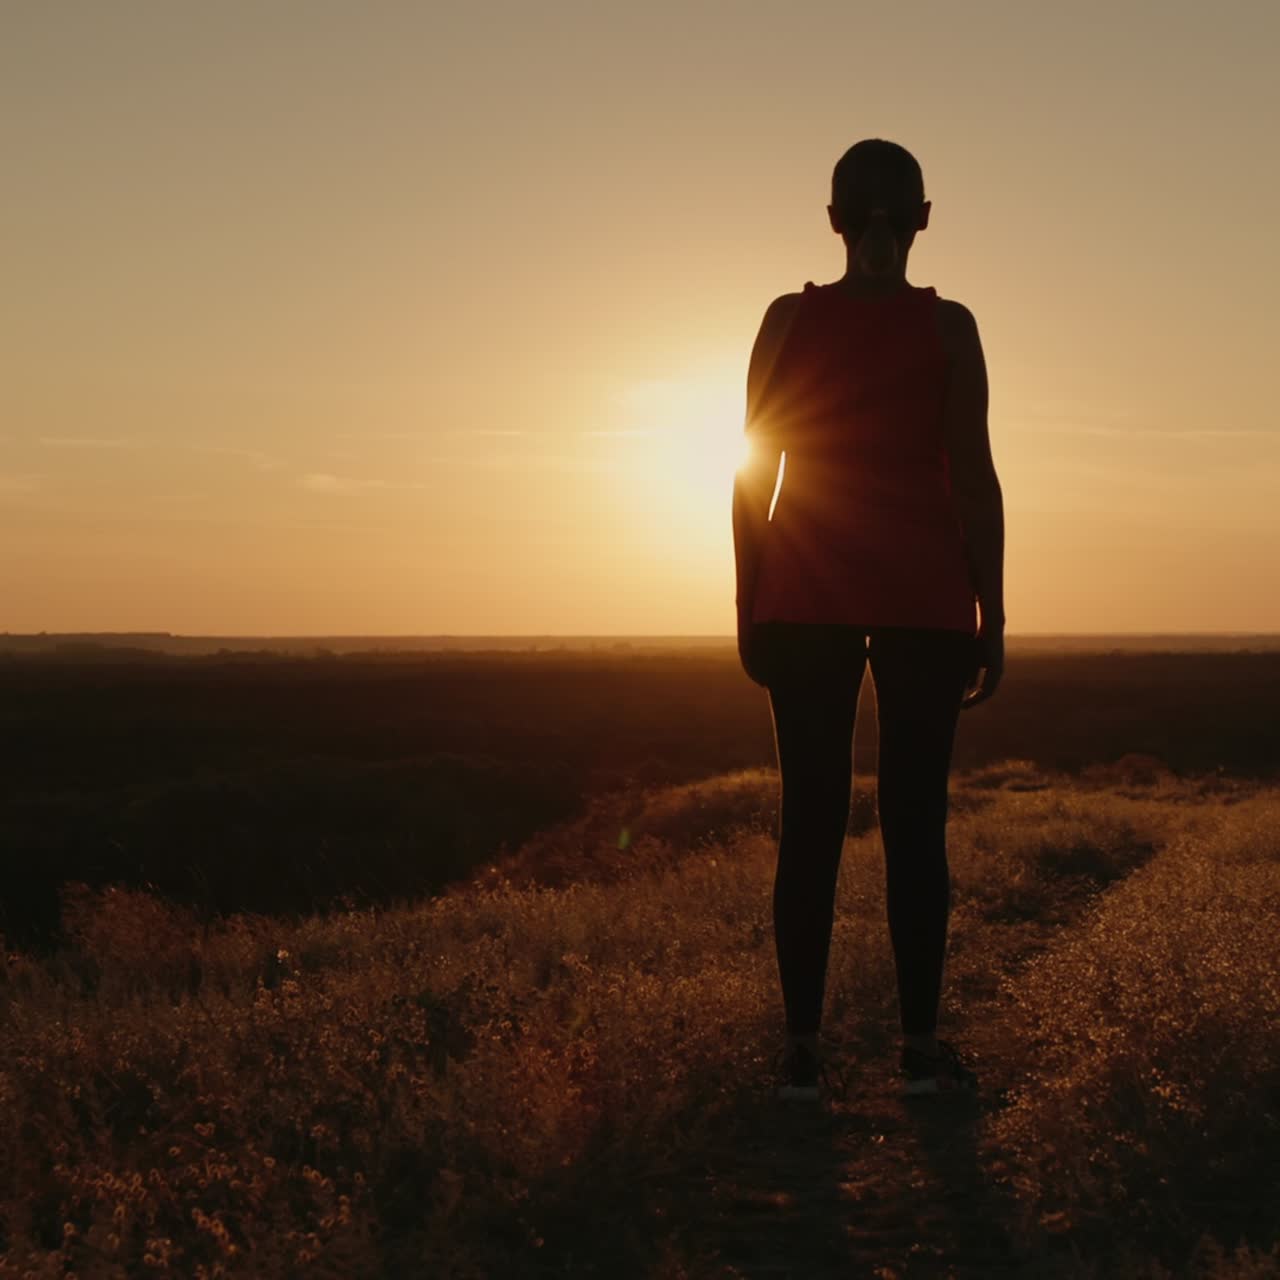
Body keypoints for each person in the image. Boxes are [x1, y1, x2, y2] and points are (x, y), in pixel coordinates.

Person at [732, 139, 1005, 1102]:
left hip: (801, 593)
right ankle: (921, 1053)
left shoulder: (786, 321)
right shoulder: (952, 329)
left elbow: (753, 471)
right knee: (915, 824)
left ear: (835, 219)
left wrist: (745, 599)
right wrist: (995, 609)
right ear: (924, 218)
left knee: (809, 821)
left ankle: (803, 1058)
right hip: (929, 599)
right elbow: (973, 479)